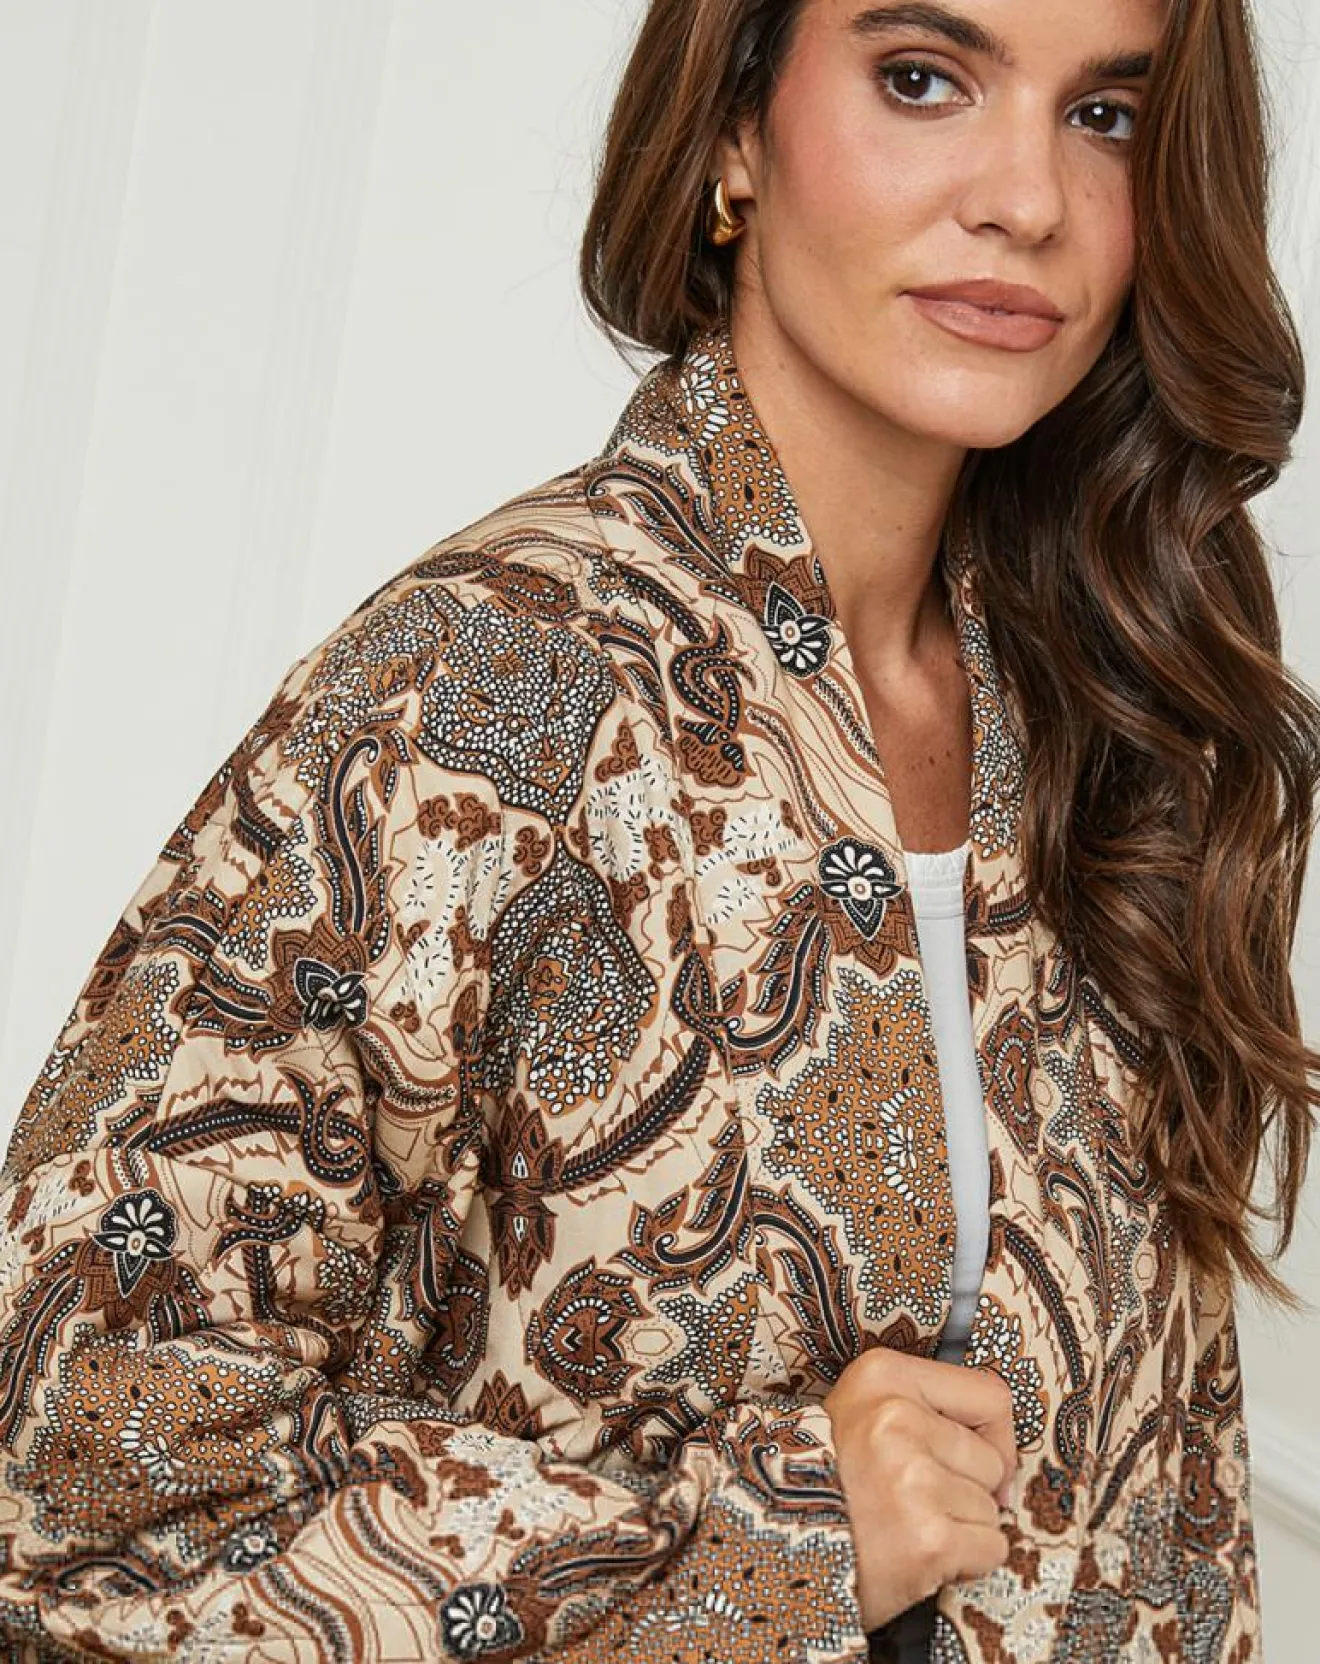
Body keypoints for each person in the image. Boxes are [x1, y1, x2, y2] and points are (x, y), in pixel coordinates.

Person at [0, 0, 1314, 1658]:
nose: (1027, 199)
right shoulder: (490, 690)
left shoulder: (1118, 727)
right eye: (924, 80)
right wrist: (784, 1540)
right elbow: (76, 1473)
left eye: (1104, 118)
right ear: (735, 130)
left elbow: (1170, 1520)